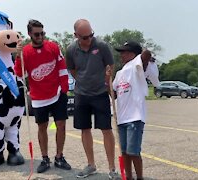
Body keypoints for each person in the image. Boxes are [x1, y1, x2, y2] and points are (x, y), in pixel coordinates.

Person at [14, 19, 71, 173]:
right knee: (42, 127)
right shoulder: (25, 51)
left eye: (42, 33)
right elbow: (20, 74)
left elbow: (62, 67)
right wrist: (18, 57)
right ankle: (45, 159)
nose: (40, 36)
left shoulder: (52, 46)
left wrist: (64, 89)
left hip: (57, 93)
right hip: (38, 96)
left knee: (61, 125)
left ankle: (59, 156)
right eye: (37, 34)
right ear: (30, 34)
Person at [66, 19, 119, 179]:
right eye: (84, 37)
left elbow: (110, 65)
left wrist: (105, 78)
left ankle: (112, 168)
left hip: (100, 93)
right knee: (85, 129)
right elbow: (73, 70)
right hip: (82, 94)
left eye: (91, 35)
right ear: (76, 35)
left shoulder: (101, 46)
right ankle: (91, 165)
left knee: (106, 129)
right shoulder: (71, 49)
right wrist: (83, 80)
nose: (88, 40)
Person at [112, 41, 160, 180]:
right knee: (125, 152)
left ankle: (139, 177)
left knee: (134, 152)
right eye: (120, 52)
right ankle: (129, 177)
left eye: (124, 52)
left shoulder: (136, 67)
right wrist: (106, 80)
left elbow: (146, 54)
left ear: (133, 54)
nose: (121, 54)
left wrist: (145, 56)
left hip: (135, 117)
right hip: (121, 118)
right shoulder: (120, 73)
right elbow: (113, 93)